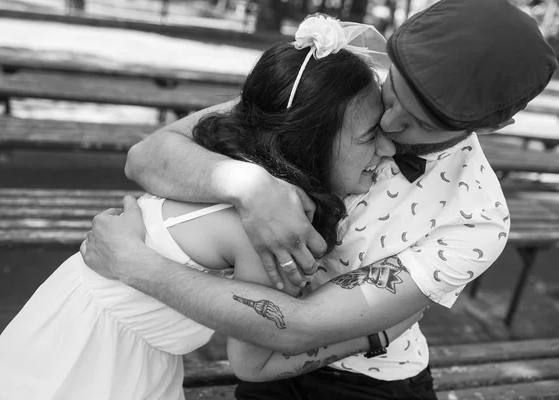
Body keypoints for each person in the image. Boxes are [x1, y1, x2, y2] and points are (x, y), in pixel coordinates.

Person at [80, 0, 558, 399]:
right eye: (392, 92)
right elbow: (148, 156)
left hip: (371, 382)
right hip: (255, 352)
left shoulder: (477, 221)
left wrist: (136, 266)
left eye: (422, 123)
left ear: (491, 127)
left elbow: (297, 328)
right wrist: (248, 187)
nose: (388, 126)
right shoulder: (339, 80)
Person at [0, 17, 422, 400]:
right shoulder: (267, 226)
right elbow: (254, 364)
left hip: (58, 332)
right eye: (368, 136)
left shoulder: (218, 159)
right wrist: (378, 332)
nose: (387, 145)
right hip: (98, 363)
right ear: (313, 139)